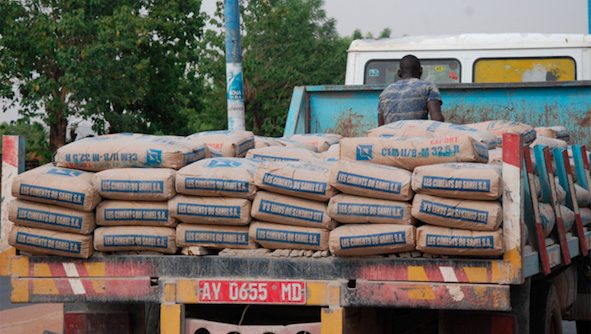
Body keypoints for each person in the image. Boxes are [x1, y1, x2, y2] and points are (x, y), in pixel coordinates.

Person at [377, 55, 444, 126]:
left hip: (391, 136)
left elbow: (381, 126)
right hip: (417, 135)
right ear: (421, 71)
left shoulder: (385, 92)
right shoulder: (428, 87)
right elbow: (437, 120)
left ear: (399, 73)